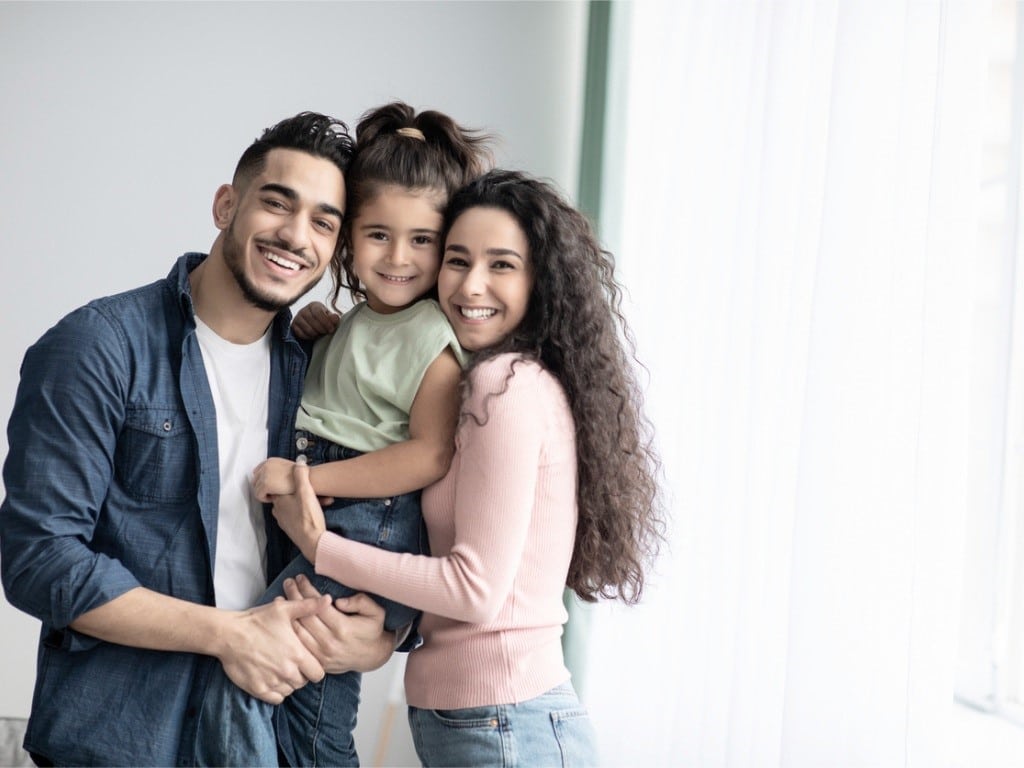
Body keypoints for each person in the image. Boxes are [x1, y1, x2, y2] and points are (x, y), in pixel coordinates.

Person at [0, 112, 396, 767]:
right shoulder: (98, 347)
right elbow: (40, 561)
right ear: (225, 205)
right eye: (277, 202)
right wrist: (229, 636)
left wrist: (385, 635)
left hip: (275, 739)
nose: (295, 235)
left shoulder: (322, 372)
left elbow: (384, 521)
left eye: (324, 222)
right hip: (125, 742)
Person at [274, 169, 666, 767]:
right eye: (457, 260)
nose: (471, 284)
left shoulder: (505, 387)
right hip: (485, 720)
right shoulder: (476, 382)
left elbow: (475, 591)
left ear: (541, 280)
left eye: (502, 264)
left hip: (506, 723)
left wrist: (320, 546)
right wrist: (389, 631)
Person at [195, 101, 491, 767]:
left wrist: (307, 481)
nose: (399, 258)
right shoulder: (354, 321)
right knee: (303, 707)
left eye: (422, 240)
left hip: (366, 519)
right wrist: (323, 337)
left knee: (259, 684)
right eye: (378, 234)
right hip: (339, 511)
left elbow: (428, 453)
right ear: (349, 238)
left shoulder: (431, 337)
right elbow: (356, 394)